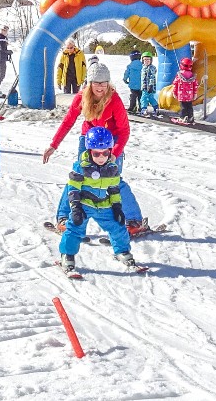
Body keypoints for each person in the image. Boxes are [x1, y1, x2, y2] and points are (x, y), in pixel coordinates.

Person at [43, 61, 149, 235]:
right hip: (89, 139)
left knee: (114, 180)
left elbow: (124, 130)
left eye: (104, 83)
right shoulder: (82, 97)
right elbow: (68, 121)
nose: (100, 87)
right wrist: (53, 145)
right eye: (96, 83)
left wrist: (114, 153)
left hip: (111, 140)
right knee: (77, 177)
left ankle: (134, 221)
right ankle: (64, 218)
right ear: (90, 83)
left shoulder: (114, 99)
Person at [54, 126, 143, 276]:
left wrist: (116, 207)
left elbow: (114, 189)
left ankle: (122, 251)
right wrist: (75, 208)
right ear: (89, 152)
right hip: (84, 205)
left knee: (118, 227)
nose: (101, 157)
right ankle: (67, 256)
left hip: (103, 205)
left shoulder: (112, 168)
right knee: (74, 229)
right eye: (96, 154)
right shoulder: (81, 167)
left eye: (105, 153)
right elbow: (73, 189)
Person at [171, 58, 201, 123]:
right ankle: (190, 117)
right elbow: (195, 85)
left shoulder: (179, 75)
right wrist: (195, 93)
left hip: (181, 95)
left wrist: (174, 92)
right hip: (189, 96)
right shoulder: (192, 76)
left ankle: (183, 118)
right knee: (189, 107)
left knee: (183, 107)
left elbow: (175, 84)